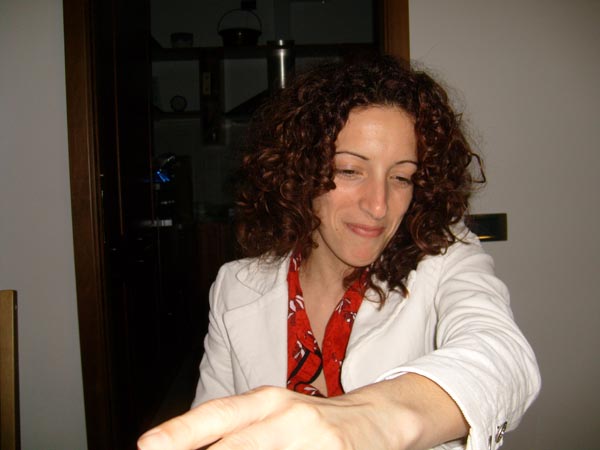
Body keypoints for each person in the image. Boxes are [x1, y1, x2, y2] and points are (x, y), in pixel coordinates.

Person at [138, 55, 540, 450]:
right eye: (349, 170)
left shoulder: (444, 258)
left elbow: (504, 360)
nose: (378, 205)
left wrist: (369, 420)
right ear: (302, 170)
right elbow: (213, 425)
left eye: (402, 177)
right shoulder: (235, 286)